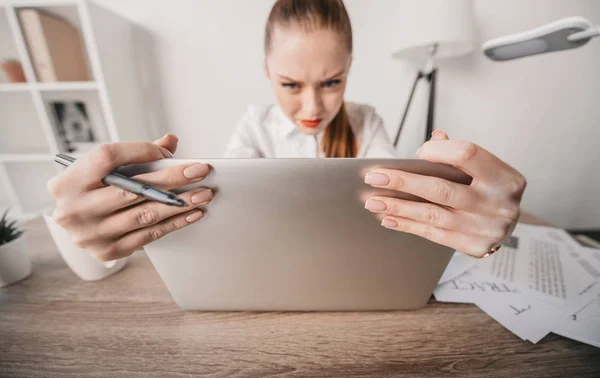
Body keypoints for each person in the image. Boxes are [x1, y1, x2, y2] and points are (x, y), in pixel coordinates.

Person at [47, 0, 526, 263]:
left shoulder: (367, 122)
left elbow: (400, 218)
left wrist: (448, 203)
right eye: (291, 84)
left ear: (350, 68)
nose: (313, 107)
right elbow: (227, 204)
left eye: (332, 82)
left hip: (352, 266)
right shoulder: (254, 125)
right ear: (267, 71)